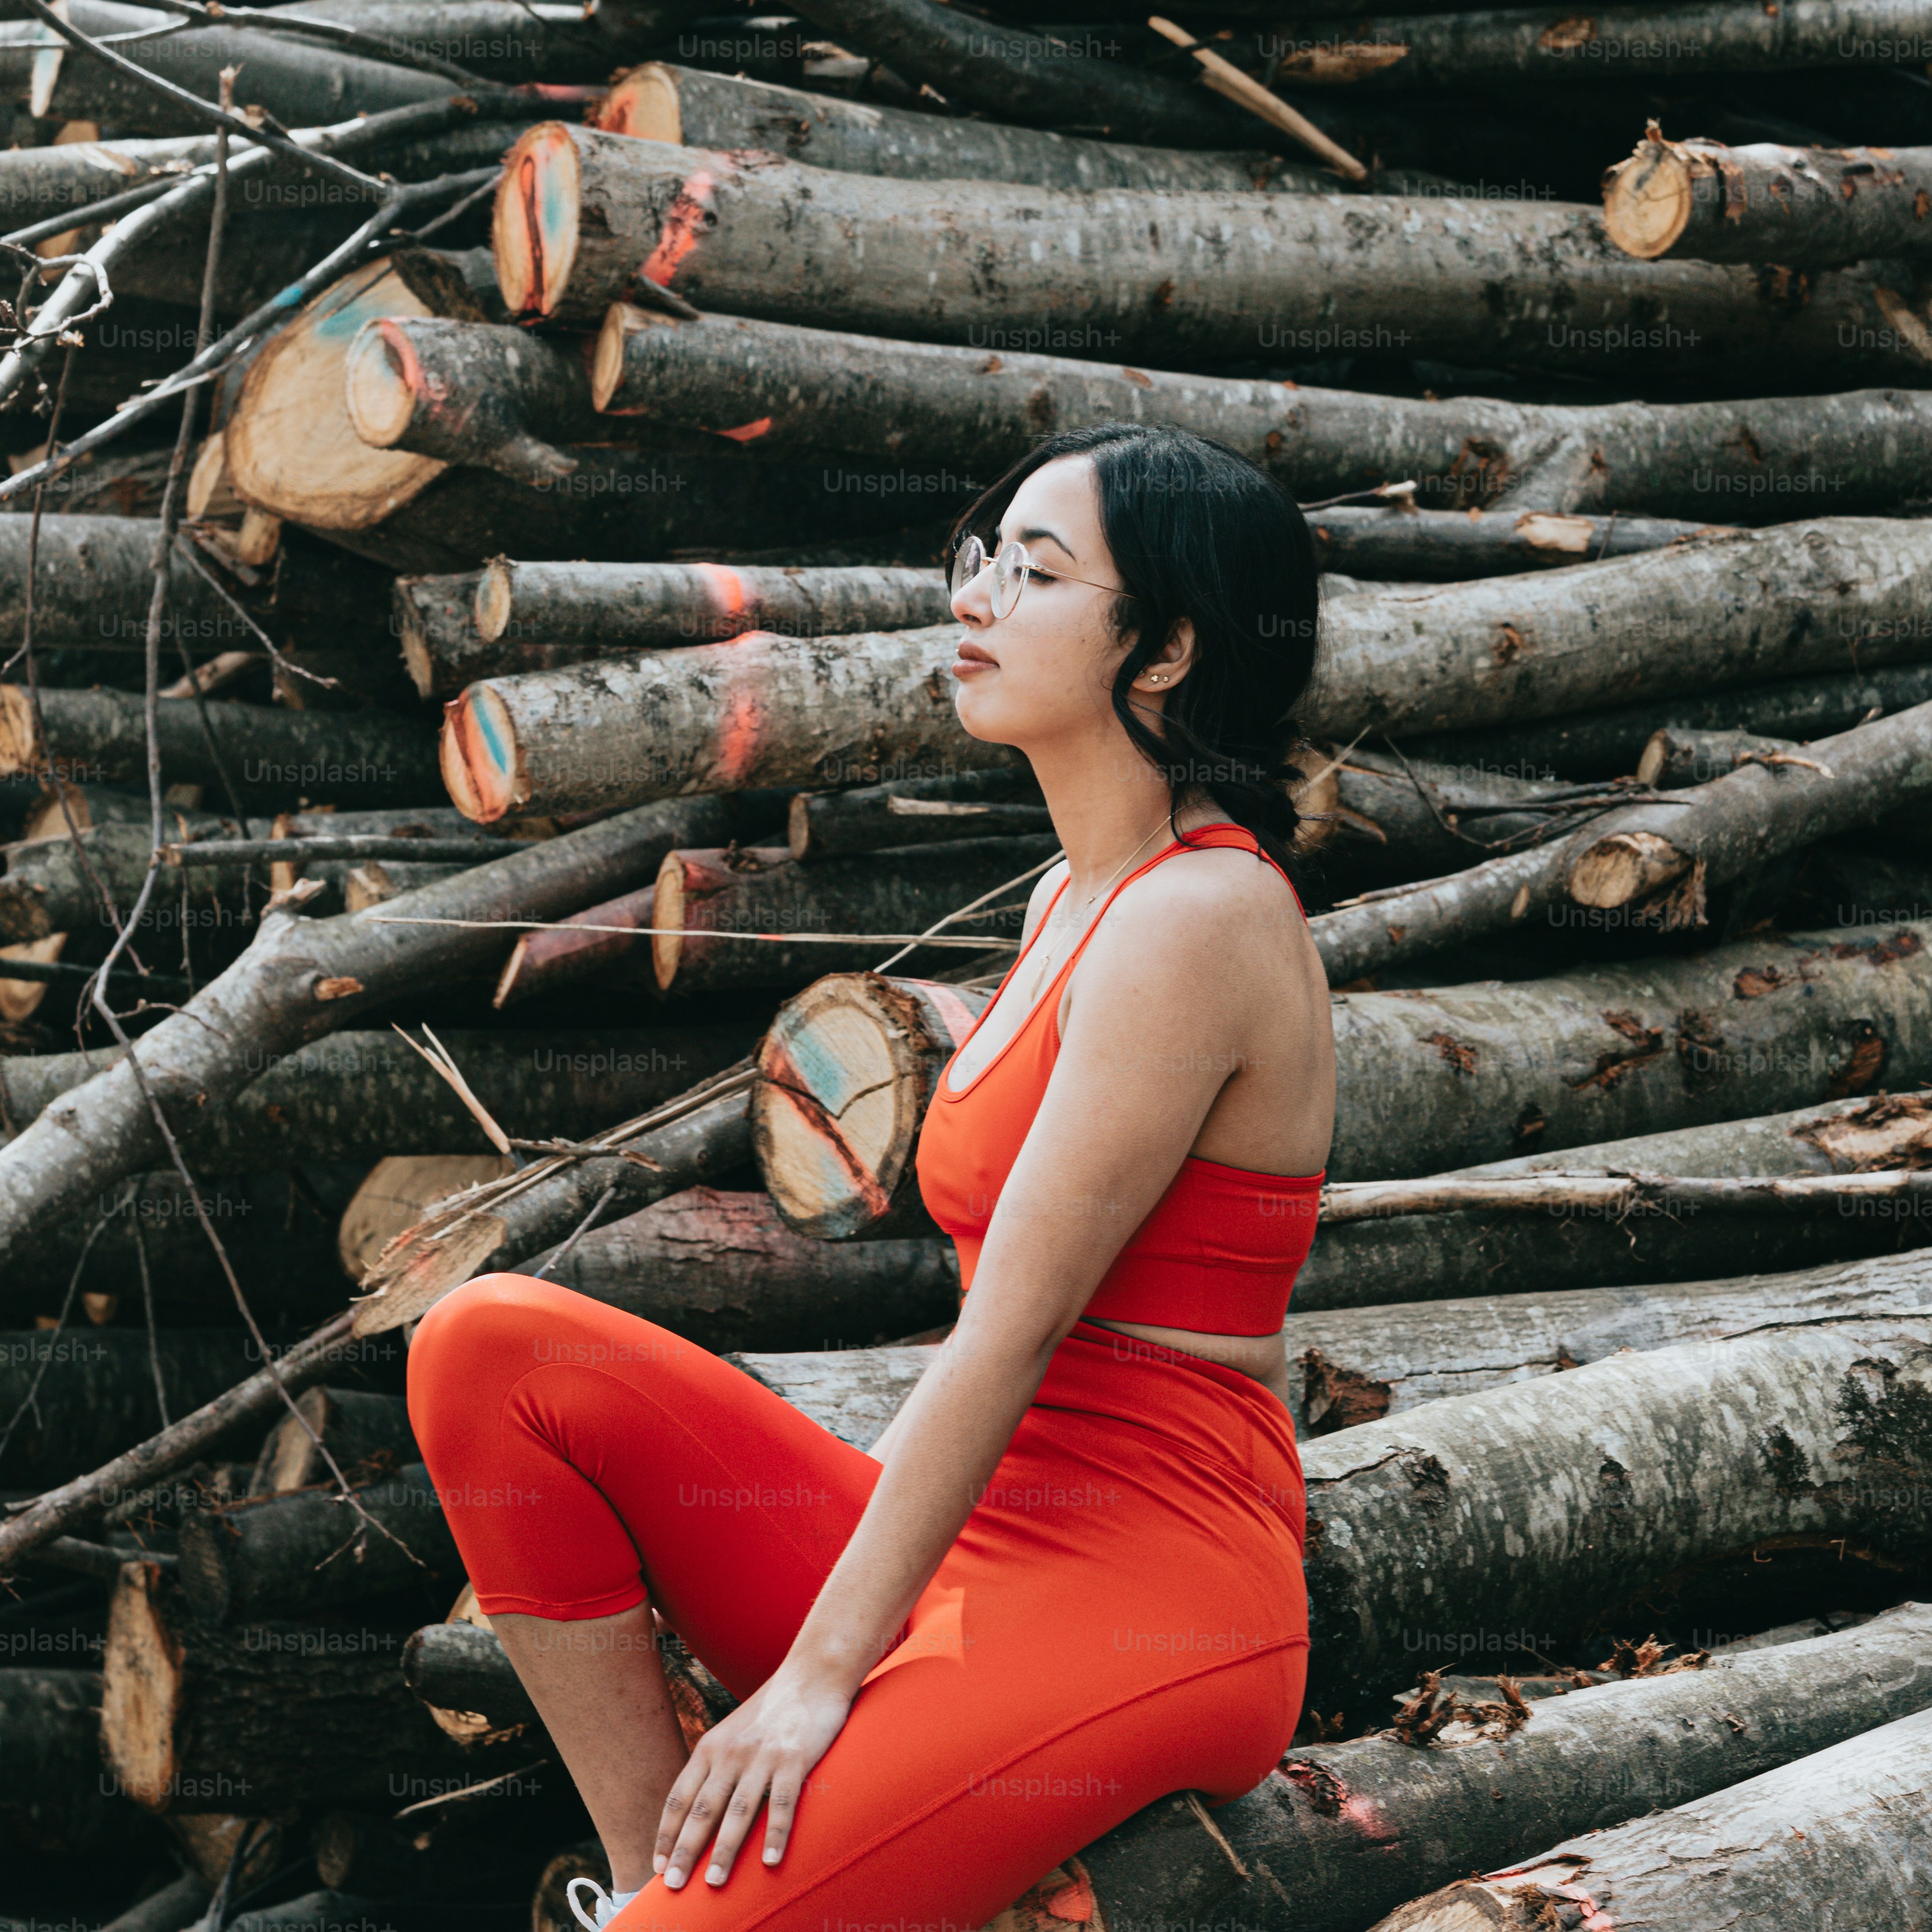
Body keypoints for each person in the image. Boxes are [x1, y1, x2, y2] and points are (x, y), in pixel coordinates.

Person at [404, 423, 1336, 1932]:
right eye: (980, 561)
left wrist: (815, 1680)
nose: (971, 598)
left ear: (1162, 649)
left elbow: (1014, 1329)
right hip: (976, 1540)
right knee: (488, 1351)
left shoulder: (1203, 915)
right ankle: (661, 1879)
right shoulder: (1073, 895)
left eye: (1034, 573)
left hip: (1150, 1591)